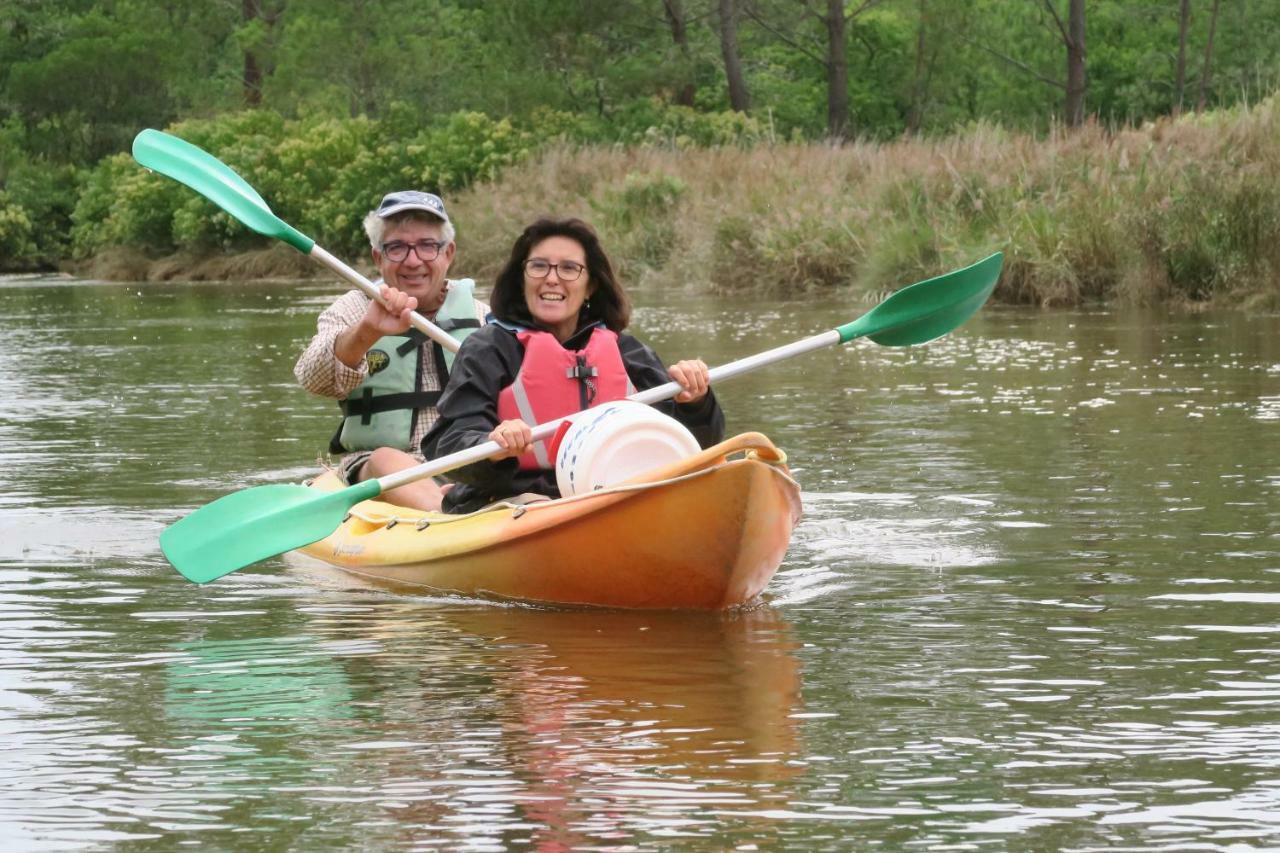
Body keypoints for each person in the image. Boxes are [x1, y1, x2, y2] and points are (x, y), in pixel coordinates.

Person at [422, 217, 724, 514]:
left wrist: (695, 402)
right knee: (542, 508)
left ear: (590, 285)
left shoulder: (627, 351)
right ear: (521, 279)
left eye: (569, 268)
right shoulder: (488, 348)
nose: (552, 278)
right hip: (515, 500)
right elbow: (447, 443)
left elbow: (693, 446)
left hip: (613, 496)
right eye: (539, 266)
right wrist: (492, 445)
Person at [294, 190, 488, 509]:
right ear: (378, 257)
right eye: (397, 247)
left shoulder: (483, 317)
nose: (413, 261)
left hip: (468, 457)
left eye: (427, 245)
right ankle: (446, 513)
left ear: (448, 253)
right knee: (386, 459)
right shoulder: (352, 311)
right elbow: (312, 379)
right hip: (378, 467)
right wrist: (366, 332)